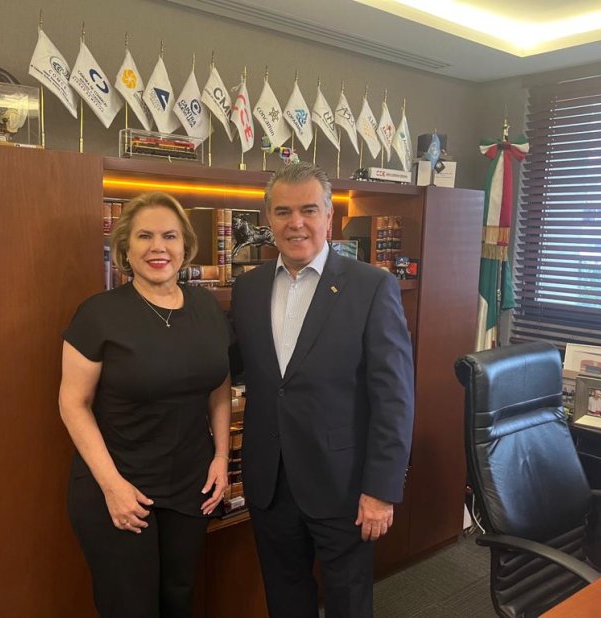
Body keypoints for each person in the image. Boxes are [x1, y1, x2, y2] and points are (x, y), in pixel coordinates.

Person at [230, 162, 415, 618]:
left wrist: (381, 489)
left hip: (344, 487)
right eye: (283, 212)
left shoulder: (372, 286)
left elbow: (394, 398)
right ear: (268, 219)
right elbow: (240, 370)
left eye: (309, 210)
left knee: (348, 602)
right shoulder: (248, 288)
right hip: (270, 483)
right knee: (284, 598)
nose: (296, 223)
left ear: (329, 217)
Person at [59, 192, 231, 617]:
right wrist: (112, 486)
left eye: (169, 236)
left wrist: (221, 457)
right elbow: (73, 403)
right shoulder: (98, 314)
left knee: (178, 597)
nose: (159, 247)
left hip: (191, 484)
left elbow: (219, 383)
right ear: (125, 247)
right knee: (130, 607)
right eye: (145, 236)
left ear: (185, 244)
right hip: (120, 483)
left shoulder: (207, 307)